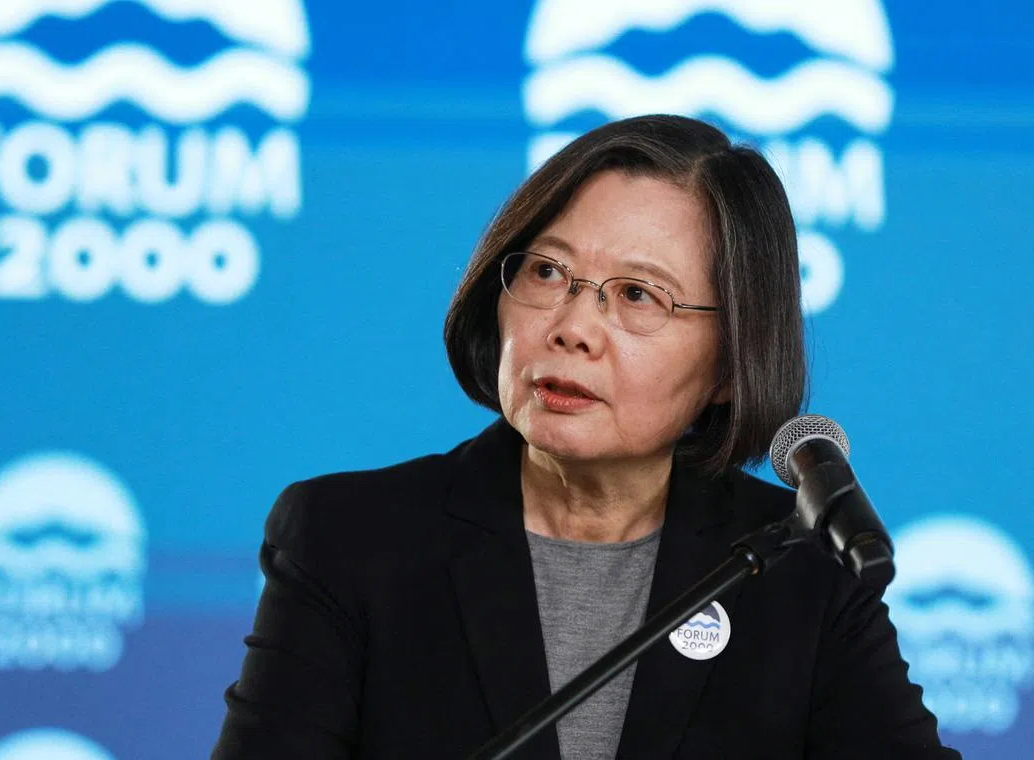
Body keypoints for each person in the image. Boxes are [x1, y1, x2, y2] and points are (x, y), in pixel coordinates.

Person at [211, 115, 960, 759]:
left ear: (731, 363)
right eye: (546, 272)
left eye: (638, 295)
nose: (570, 328)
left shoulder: (801, 574)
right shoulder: (348, 542)